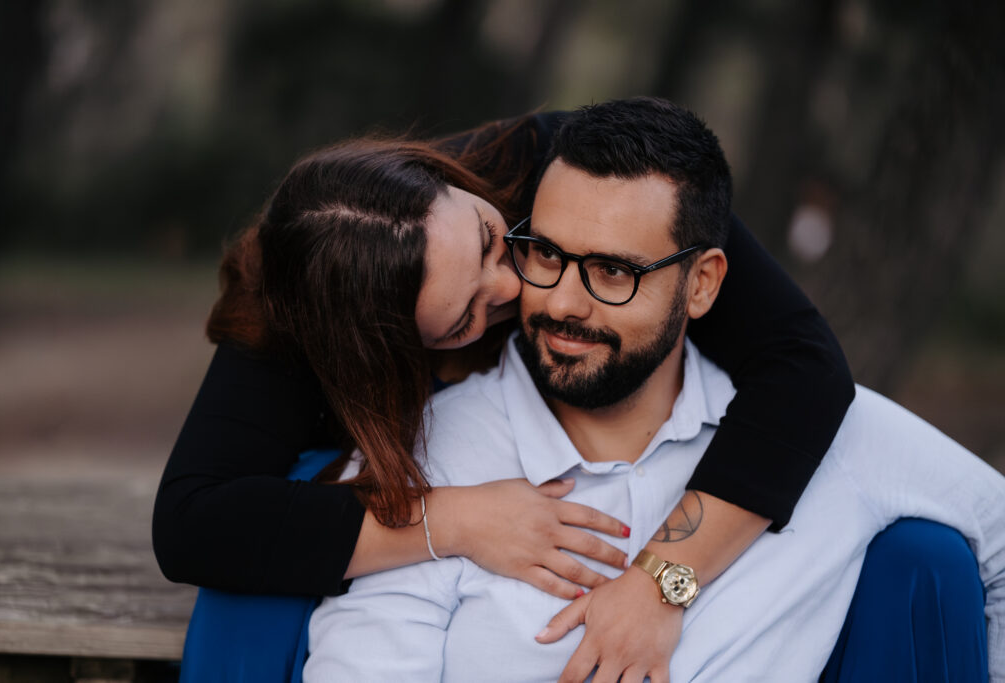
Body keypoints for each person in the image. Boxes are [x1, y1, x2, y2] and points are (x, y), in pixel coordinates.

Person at [304, 97, 1004, 682]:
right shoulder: (430, 461)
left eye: (613, 272)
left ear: (702, 284)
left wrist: (669, 583)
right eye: (546, 254)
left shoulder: (832, 443)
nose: (563, 301)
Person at [153, 107, 854, 678]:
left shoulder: (579, 175)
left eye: (501, 242)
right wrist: (449, 520)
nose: (519, 289)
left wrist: (661, 581)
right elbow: (194, 523)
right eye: (466, 318)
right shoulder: (295, 310)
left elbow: (805, 367)